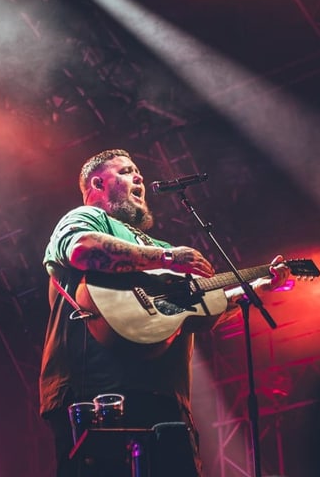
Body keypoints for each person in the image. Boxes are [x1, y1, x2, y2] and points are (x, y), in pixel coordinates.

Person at [40, 149, 290, 477]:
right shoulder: (85, 218)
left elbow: (204, 307)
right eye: (127, 171)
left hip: (166, 402)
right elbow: (81, 248)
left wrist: (261, 285)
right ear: (98, 182)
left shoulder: (155, 245)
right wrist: (167, 258)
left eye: (137, 171)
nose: (138, 176)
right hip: (98, 392)